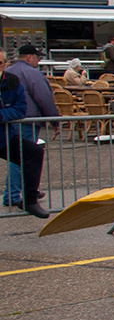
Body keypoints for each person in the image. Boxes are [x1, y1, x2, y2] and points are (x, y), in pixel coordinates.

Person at [1, 50, 47, 218]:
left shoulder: (12, 81)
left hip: (4, 136)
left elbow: (21, 108)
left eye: (0, 63)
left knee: (33, 152)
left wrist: (2, 115)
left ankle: (29, 200)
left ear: (5, 64)